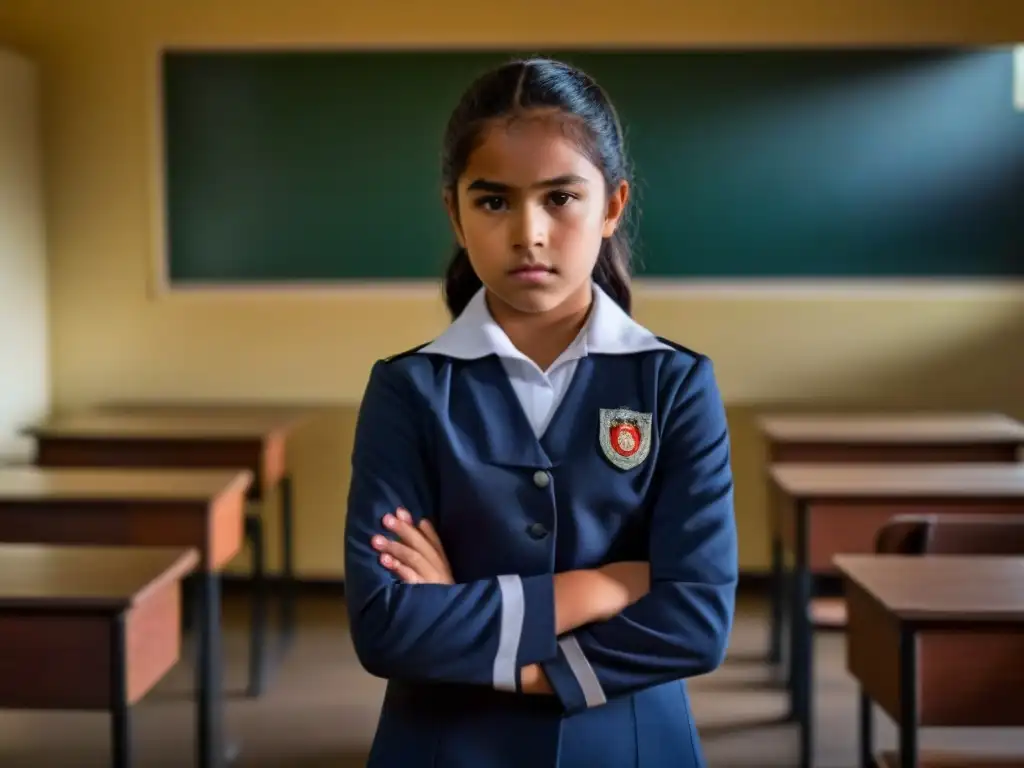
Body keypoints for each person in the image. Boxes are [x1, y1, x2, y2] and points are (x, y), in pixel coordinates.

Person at [344, 56, 738, 768]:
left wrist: (482, 633)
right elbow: (386, 626)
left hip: (630, 746)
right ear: (455, 214)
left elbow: (696, 622)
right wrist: (609, 584)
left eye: (560, 198)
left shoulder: (675, 383)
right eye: (494, 201)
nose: (528, 232)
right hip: (443, 746)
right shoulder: (408, 390)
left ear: (613, 206)